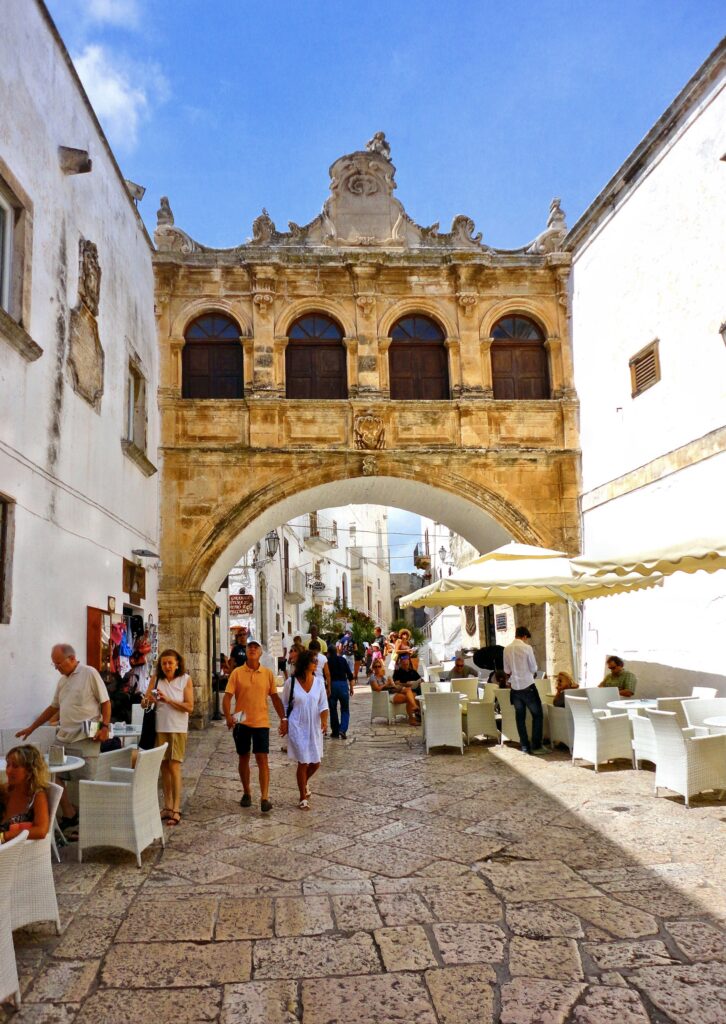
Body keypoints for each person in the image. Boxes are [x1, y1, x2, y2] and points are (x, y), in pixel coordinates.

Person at [16, 643, 111, 829]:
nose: (56, 667)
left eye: (58, 663)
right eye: (54, 664)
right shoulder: (62, 681)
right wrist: (32, 728)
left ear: (72, 659)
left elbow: (106, 702)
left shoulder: (89, 673)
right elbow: (53, 707)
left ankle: (89, 826)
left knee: (86, 781)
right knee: (49, 774)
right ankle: (69, 813)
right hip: (63, 736)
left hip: (86, 735)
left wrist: (105, 727)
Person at [223, 639, 286, 813]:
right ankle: (246, 792)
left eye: (255, 647)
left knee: (262, 758)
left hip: (261, 721)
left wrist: (283, 719)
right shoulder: (237, 673)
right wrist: (228, 716)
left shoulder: (267, 674)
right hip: (241, 721)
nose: (252, 649)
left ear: (260, 653)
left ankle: (265, 797)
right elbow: (228, 696)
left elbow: (274, 697)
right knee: (243, 757)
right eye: (249, 647)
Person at [142, 648, 193, 827]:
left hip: (177, 728)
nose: (167, 666)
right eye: (164, 663)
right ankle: (167, 806)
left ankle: (177, 808)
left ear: (177, 663)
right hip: (159, 728)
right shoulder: (156, 679)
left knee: (174, 766)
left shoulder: (185, 680)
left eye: (170, 663)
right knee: (163, 767)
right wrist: (148, 701)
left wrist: (168, 700)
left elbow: (189, 707)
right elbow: (145, 702)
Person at [281, 650, 329, 809]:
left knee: (315, 763)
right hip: (297, 725)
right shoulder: (291, 682)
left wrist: (324, 720)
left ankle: (304, 783)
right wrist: (285, 721)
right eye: (313, 660)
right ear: (304, 663)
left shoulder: (319, 682)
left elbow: (323, 705)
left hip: (313, 725)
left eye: (317, 660)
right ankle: (302, 797)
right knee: (303, 761)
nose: (316, 663)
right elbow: (285, 704)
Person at [503, 626, 543, 755]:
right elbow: (533, 668)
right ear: (524, 636)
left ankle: (525, 746)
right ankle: (536, 745)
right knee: (537, 715)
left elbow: (506, 671)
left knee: (520, 718)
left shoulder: (506, 649)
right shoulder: (527, 648)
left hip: (515, 689)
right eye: (526, 638)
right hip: (527, 686)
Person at [0, 745, 50, 844]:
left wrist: (4, 836)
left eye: (15, 766)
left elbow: (41, 831)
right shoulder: (6, 790)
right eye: (8, 765)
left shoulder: (37, 795)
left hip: (11, 850)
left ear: (30, 771)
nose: (8, 771)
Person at [369, 659, 419, 725]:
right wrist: (386, 684)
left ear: (381, 667)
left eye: (379, 666)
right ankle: (412, 716)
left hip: (391, 692)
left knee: (411, 692)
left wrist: (391, 683)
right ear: (373, 668)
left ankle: (414, 713)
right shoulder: (373, 677)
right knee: (410, 697)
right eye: (375, 667)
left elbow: (389, 686)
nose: (377, 668)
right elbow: (377, 689)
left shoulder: (383, 677)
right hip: (386, 696)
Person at [326, 645, 354, 739]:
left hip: (332, 685)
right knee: (345, 709)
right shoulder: (342, 660)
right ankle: (343, 730)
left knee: (333, 709)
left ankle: (335, 731)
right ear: (336, 651)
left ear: (328, 653)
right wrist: (351, 687)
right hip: (343, 685)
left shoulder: (327, 661)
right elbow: (350, 675)